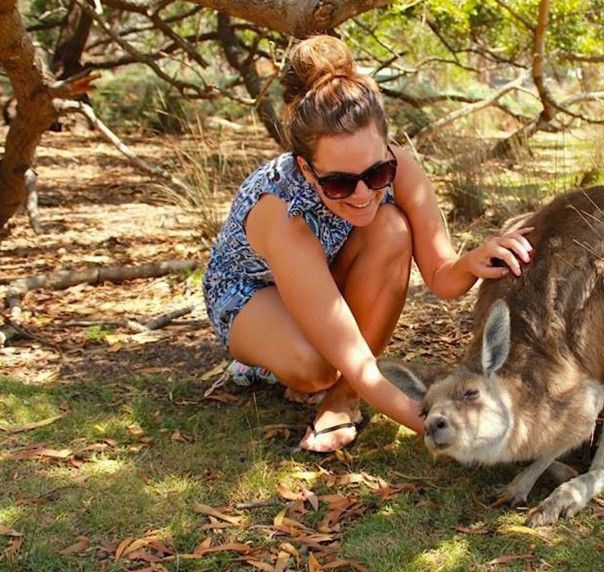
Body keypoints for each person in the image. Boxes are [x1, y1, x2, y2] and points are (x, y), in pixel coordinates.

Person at [202, 35, 533, 452]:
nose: (362, 194)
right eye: (339, 182)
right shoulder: (284, 212)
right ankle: (269, 365)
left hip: (327, 275)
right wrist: (466, 436)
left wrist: (471, 262)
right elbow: (359, 364)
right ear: (306, 169)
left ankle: (343, 402)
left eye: (375, 174)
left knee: (391, 227)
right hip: (252, 292)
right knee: (317, 367)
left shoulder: (400, 168)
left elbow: (441, 278)